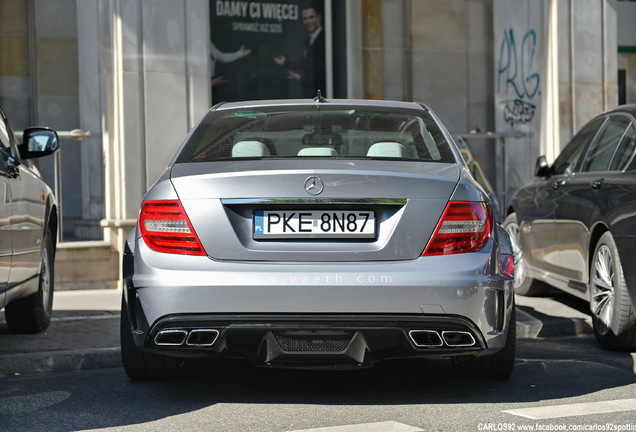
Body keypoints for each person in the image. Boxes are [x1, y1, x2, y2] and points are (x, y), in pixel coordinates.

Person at [273, 3, 326, 98]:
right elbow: (303, 62)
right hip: (310, 95)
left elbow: (321, 72)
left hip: (322, 97)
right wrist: (285, 62)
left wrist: (300, 78)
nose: (309, 21)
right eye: (305, 19)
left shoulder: (325, 40)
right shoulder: (309, 39)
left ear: (319, 17)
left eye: (311, 17)